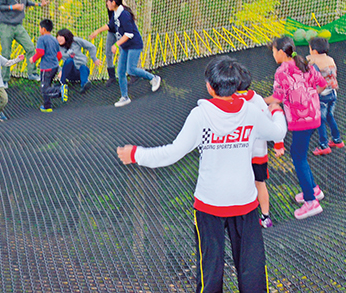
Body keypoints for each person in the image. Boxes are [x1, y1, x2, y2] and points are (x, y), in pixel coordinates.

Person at [116, 56, 287, 293]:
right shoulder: (251, 113)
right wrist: (276, 110)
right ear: (236, 84)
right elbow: (278, 132)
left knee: (210, 271)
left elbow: (172, 153)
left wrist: (136, 154)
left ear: (209, 86)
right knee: (253, 269)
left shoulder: (200, 116)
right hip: (245, 203)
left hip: (209, 205)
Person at [267, 36, 326, 220]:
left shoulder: (281, 71)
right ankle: (313, 189)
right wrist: (310, 98)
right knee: (300, 155)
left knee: (298, 157)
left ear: (281, 52)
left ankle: (311, 202)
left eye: (274, 51)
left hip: (301, 122)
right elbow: (322, 85)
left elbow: (276, 98)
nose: (273, 55)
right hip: (314, 117)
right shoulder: (305, 64)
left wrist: (258, 100)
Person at [235, 63, 273, 229]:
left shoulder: (231, 102)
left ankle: (241, 218)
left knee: (239, 184)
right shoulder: (258, 100)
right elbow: (269, 122)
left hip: (238, 153)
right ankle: (265, 217)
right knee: (260, 183)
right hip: (259, 151)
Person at [107, 0, 161, 107]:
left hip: (134, 45)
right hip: (125, 46)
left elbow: (129, 34)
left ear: (114, 2)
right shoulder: (115, 14)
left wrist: (116, 44)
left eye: (108, 2)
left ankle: (154, 78)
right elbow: (110, 26)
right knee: (120, 71)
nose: (107, 4)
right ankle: (125, 97)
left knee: (131, 69)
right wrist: (97, 32)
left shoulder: (124, 15)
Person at [0, 0, 45, 82]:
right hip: (6, 25)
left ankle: (32, 73)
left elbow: (26, 2)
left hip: (18, 25)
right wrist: (13, 7)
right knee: (6, 53)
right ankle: (4, 79)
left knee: (30, 47)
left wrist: (39, 4)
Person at [307, 37, 343, 155]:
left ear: (314, 51)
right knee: (329, 116)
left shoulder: (314, 63)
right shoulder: (330, 59)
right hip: (333, 93)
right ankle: (337, 139)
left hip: (322, 96)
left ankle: (324, 145)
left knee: (320, 120)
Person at [89, 0, 122, 86]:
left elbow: (112, 22)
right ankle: (111, 76)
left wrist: (97, 31)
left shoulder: (116, 1)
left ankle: (130, 74)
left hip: (120, 31)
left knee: (123, 51)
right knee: (108, 52)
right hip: (112, 31)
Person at [29, 19, 63, 112]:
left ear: (43, 29)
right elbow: (59, 55)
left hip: (46, 68)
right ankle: (47, 106)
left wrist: (33, 59)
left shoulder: (41, 39)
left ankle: (60, 90)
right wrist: (54, 62)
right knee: (47, 85)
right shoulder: (54, 39)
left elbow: (40, 52)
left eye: (40, 28)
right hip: (54, 67)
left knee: (44, 89)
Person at [57, 28, 98, 95]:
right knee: (69, 61)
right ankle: (62, 83)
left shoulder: (75, 41)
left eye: (61, 37)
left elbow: (91, 46)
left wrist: (94, 58)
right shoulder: (57, 46)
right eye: (58, 37)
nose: (59, 39)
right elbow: (53, 59)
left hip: (80, 72)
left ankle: (84, 85)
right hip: (69, 72)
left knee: (83, 67)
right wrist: (60, 70)